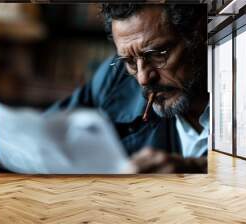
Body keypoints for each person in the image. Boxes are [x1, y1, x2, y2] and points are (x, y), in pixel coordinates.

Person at [45, 4, 209, 173]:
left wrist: (199, 168)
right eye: (130, 62)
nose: (143, 78)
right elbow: (43, 136)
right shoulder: (115, 78)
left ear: (201, 33)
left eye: (157, 54)